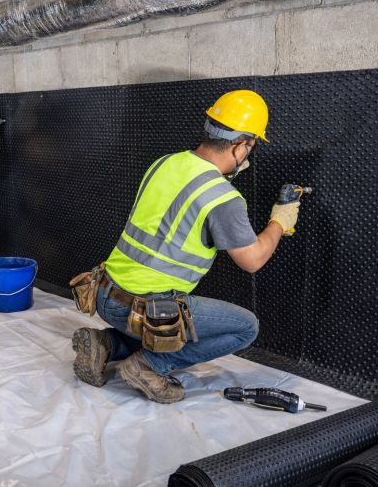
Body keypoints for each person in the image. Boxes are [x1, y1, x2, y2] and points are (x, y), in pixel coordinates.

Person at [71, 90, 301, 403]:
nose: (250, 153)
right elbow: (253, 260)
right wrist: (280, 220)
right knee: (246, 327)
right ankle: (150, 365)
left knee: (159, 321)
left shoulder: (164, 163)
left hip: (103, 295)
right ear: (240, 145)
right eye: (251, 146)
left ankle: (106, 344)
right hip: (143, 311)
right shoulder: (223, 198)